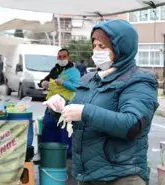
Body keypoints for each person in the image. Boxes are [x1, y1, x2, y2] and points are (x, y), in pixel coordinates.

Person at [44, 20, 158, 185]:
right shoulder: (90, 79)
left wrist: (85, 112)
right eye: (95, 46)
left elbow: (132, 124)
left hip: (121, 177)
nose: (96, 51)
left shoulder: (139, 80)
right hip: (87, 175)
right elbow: (76, 118)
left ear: (121, 49)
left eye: (103, 47)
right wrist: (60, 107)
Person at [39, 48, 80, 156]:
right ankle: (48, 152)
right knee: (48, 127)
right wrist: (43, 83)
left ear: (68, 57)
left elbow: (77, 87)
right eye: (59, 57)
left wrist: (64, 83)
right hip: (51, 105)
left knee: (64, 130)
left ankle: (66, 154)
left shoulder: (74, 72)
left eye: (64, 56)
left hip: (65, 105)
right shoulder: (55, 70)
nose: (61, 59)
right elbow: (45, 80)